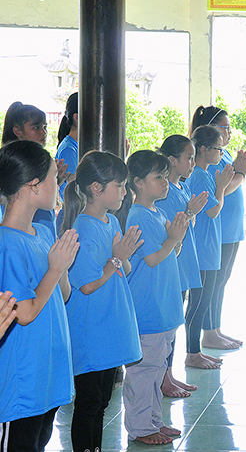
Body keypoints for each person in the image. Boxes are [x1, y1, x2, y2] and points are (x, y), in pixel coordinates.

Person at [61, 151, 144, 452]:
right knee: (89, 403)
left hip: (108, 327)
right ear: (96, 188)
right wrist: (116, 259)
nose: (124, 191)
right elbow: (86, 286)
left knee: (103, 402)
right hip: (91, 330)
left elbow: (124, 267)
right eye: (119, 185)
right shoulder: (83, 228)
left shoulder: (110, 222)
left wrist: (123, 257)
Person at [0, 140, 79, 452]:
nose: (58, 184)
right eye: (54, 178)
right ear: (33, 186)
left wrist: (62, 268)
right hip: (22, 378)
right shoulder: (6, 243)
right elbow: (24, 312)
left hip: (49, 368)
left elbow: (64, 294)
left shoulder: (44, 232)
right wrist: (55, 268)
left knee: (39, 442)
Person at [118, 150, 189, 445]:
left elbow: (170, 253)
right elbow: (152, 259)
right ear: (137, 182)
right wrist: (173, 238)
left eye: (165, 176)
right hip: (149, 308)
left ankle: (153, 421)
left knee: (157, 368)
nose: (164, 182)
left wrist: (176, 239)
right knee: (144, 371)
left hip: (164, 305)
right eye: (157, 177)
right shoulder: (138, 215)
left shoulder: (156, 213)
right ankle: (140, 427)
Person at [157, 135, 214, 398]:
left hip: (183, 261)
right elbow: (171, 229)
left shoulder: (180, 187)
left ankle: (168, 374)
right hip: (172, 264)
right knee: (167, 326)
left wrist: (191, 212)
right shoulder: (165, 191)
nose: (192, 163)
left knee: (174, 323)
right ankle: (163, 377)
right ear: (172, 160)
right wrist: (190, 212)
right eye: (188, 158)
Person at [191, 105, 246, 350]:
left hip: (230, 228)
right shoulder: (208, 158)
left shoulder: (221, 154)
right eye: (225, 127)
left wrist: (238, 172)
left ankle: (215, 328)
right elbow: (223, 188)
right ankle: (208, 332)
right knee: (212, 284)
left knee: (221, 281)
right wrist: (241, 174)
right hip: (219, 229)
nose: (229, 132)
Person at [185, 126, 235, 368]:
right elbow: (213, 210)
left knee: (203, 301)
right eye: (218, 149)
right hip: (202, 251)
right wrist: (221, 187)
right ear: (203, 150)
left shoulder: (203, 174)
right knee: (198, 303)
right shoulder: (199, 175)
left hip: (208, 249)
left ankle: (196, 351)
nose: (221, 154)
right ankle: (192, 353)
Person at [2, 101, 61, 239]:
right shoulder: (8, 164)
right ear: (17, 131)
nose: (43, 132)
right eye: (36, 127)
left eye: (44, 127)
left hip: (40, 235)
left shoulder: (43, 232)